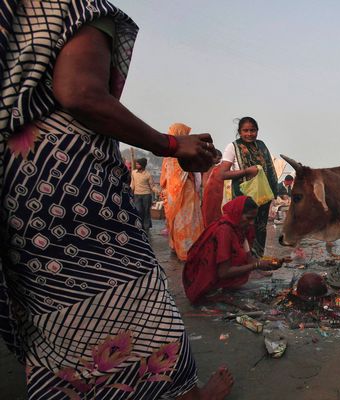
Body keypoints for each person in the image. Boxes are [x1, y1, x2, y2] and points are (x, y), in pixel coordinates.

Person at [0, 2, 232, 398]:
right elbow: (79, 93)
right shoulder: (72, 5)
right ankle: (185, 395)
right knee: (141, 305)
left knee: (58, 319)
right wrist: (171, 144)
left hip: (17, 187)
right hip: (68, 186)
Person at [183, 196, 286, 304]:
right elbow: (223, 272)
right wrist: (257, 265)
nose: (251, 223)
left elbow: (250, 260)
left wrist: (272, 262)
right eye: (249, 218)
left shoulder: (240, 228)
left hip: (222, 277)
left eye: (253, 219)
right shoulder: (225, 231)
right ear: (237, 213)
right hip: (206, 285)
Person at [217, 117, 278, 257]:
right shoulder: (233, 147)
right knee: (243, 228)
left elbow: (270, 169)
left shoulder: (261, 145)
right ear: (239, 131)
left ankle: (256, 262)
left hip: (262, 197)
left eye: (253, 130)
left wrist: (273, 192)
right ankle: (241, 262)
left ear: (257, 131)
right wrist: (246, 171)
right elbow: (222, 174)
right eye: (245, 130)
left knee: (260, 229)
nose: (249, 134)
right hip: (243, 198)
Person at [161, 123, 205, 261]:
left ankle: (176, 247)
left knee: (175, 220)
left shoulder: (167, 155)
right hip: (186, 191)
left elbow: (163, 179)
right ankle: (188, 251)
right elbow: (195, 171)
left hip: (171, 194)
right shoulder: (184, 152)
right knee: (187, 220)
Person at [131, 157, 158, 233]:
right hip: (137, 195)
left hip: (146, 195)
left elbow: (152, 186)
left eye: (138, 164)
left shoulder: (148, 174)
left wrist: (158, 192)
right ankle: (139, 225)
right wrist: (130, 191)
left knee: (146, 211)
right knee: (138, 210)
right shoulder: (133, 173)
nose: (136, 165)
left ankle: (146, 228)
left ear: (142, 165)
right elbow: (132, 184)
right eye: (136, 164)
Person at [201, 151, 224, 227]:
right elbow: (204, 183)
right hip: (207, 193)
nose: (218, 161)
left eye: (220, 159)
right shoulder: (205, 168)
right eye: (217, 158)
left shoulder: (216, 168)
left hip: (215, 194)